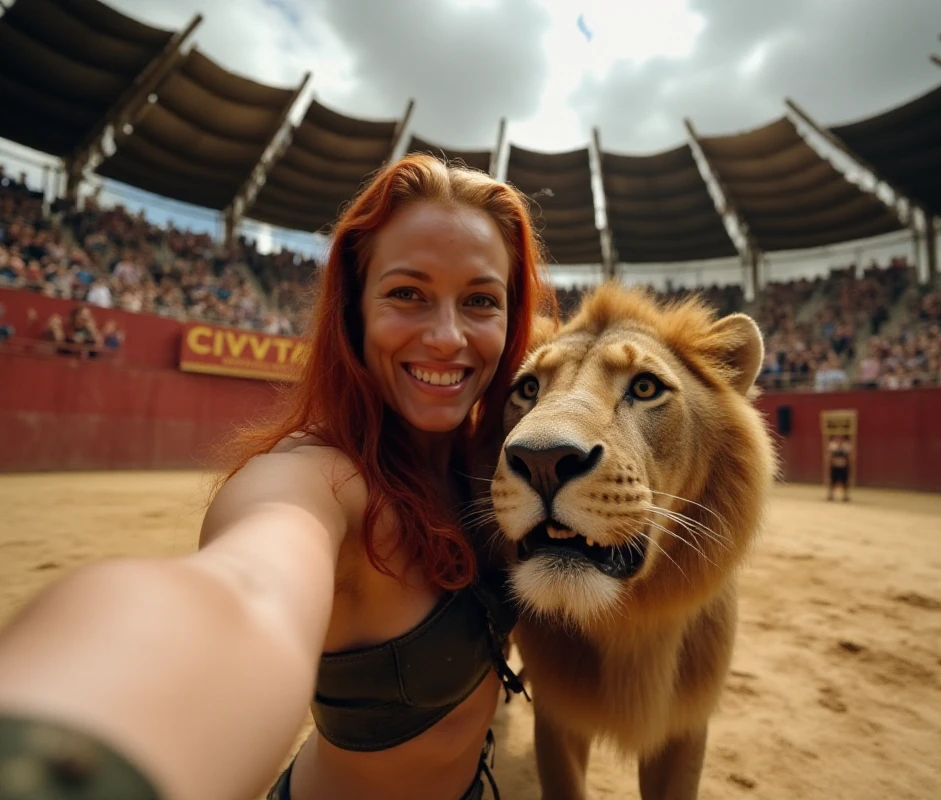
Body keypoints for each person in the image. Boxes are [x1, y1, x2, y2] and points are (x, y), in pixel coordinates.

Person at [0, 154, 553, 800]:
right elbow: (249, 590)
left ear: (513, 321)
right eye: (408, 293)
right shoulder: (319, 478)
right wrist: (68, 745)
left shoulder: (500, 465)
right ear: (354, 309)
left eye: (481, 301)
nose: (447, 336)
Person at [827, 434, 853, 502]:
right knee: (833, 481)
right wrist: (830, 464)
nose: (839, 440)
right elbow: (830, 456)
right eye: (837, 438)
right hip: (835, 466)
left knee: (845, 482)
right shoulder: (833, 446)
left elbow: (849, 457)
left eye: (840, 438)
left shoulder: (846, 447)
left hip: (843, 467)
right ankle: (831, 495)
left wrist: (849, 465)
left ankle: (845, 496)